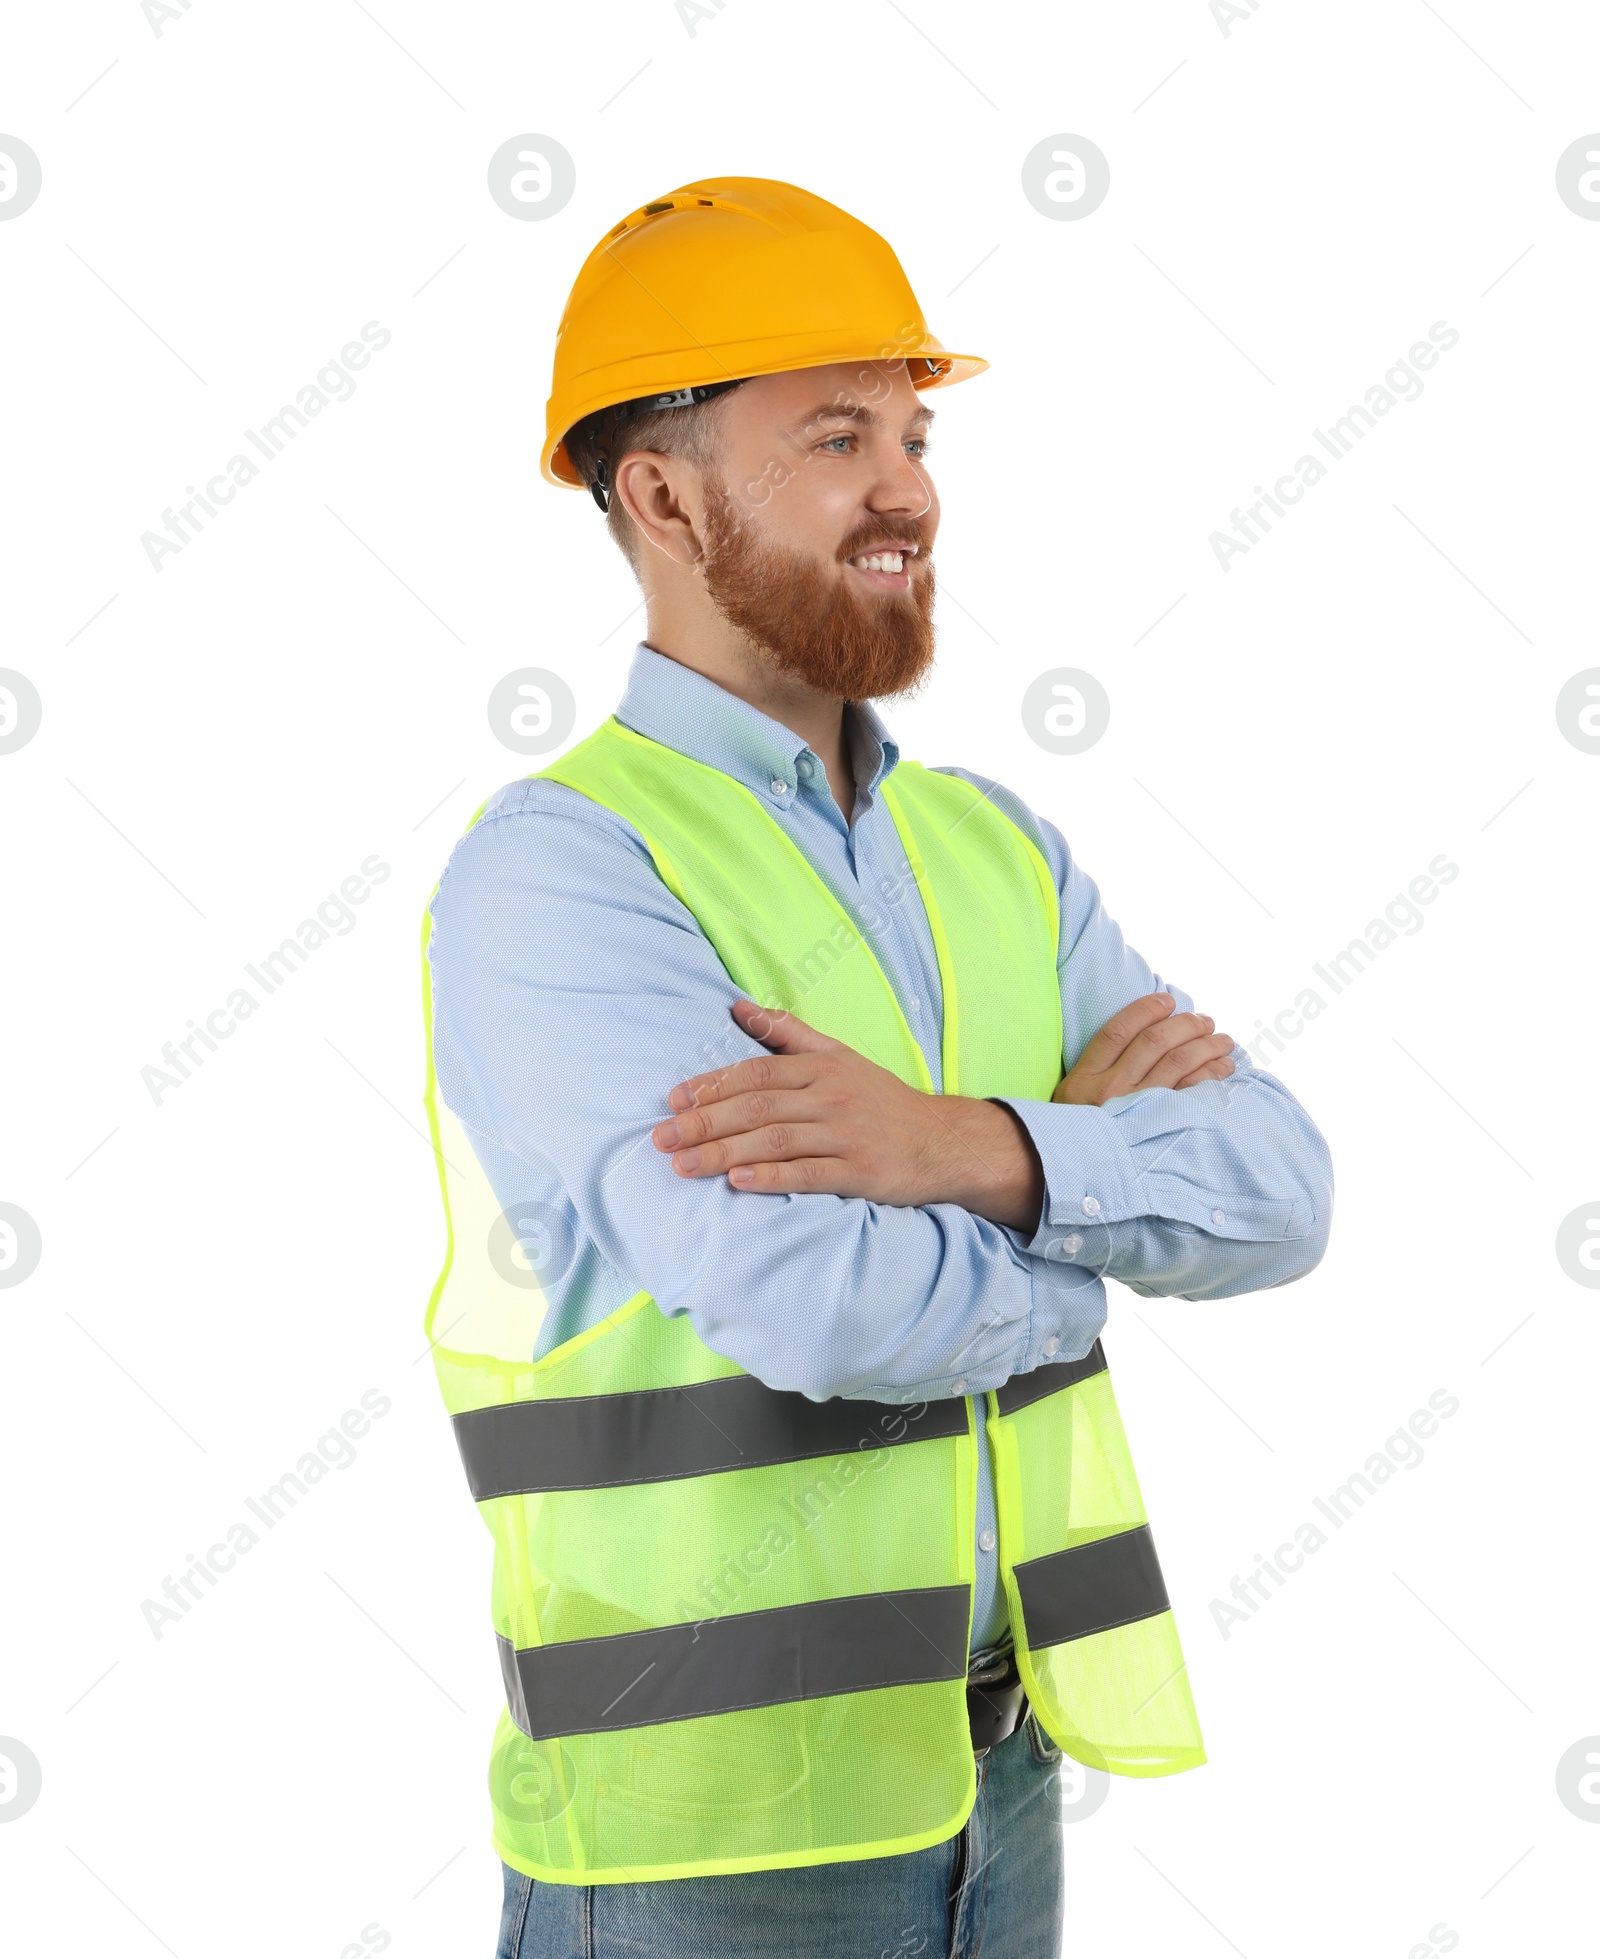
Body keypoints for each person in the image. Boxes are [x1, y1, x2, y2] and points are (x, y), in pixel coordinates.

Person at [420, 175, 1332, 1959]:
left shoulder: (997, 851)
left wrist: (966, 1149)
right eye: (835, 436)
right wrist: (1098, 1201)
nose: (908, 486)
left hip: (1002, 1780)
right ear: (660, 497)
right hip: (701, 1835)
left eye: (913, 434)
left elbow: (1286, 1192)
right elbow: (821, 1314)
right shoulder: (566, 869)